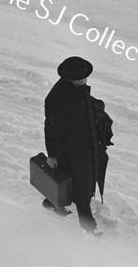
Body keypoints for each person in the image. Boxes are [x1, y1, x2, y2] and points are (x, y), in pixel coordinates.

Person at [43, 56, 114, 234]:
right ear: (74, 79)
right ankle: (89, 227)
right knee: (82, 191)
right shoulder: (57, 98)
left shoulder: (72, 89)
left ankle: (50, 202)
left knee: (68, 179)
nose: (86, 79)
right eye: (84, 77)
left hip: (80, 147)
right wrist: (52, 155)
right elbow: (51, 128)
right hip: (74, 150)